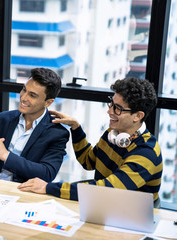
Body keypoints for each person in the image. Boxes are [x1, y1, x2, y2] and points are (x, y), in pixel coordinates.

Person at [18, 77, 163, 207]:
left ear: (138, 116)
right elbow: (88, 162)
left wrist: (48, 187)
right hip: (105, 206)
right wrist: (75, 128)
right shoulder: (112, 134)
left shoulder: (147, 152)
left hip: (131, 214)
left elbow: (107, 189)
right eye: (111, 104)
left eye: (117, 109)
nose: (110, 111)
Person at [0, 68, 69, 183]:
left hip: (22, 192)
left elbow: (47, 173)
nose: (23, 97)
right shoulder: (3, 119)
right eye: (24, 89)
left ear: (48, 102)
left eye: (32, 95)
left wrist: (6, 155)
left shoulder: (57, 133)